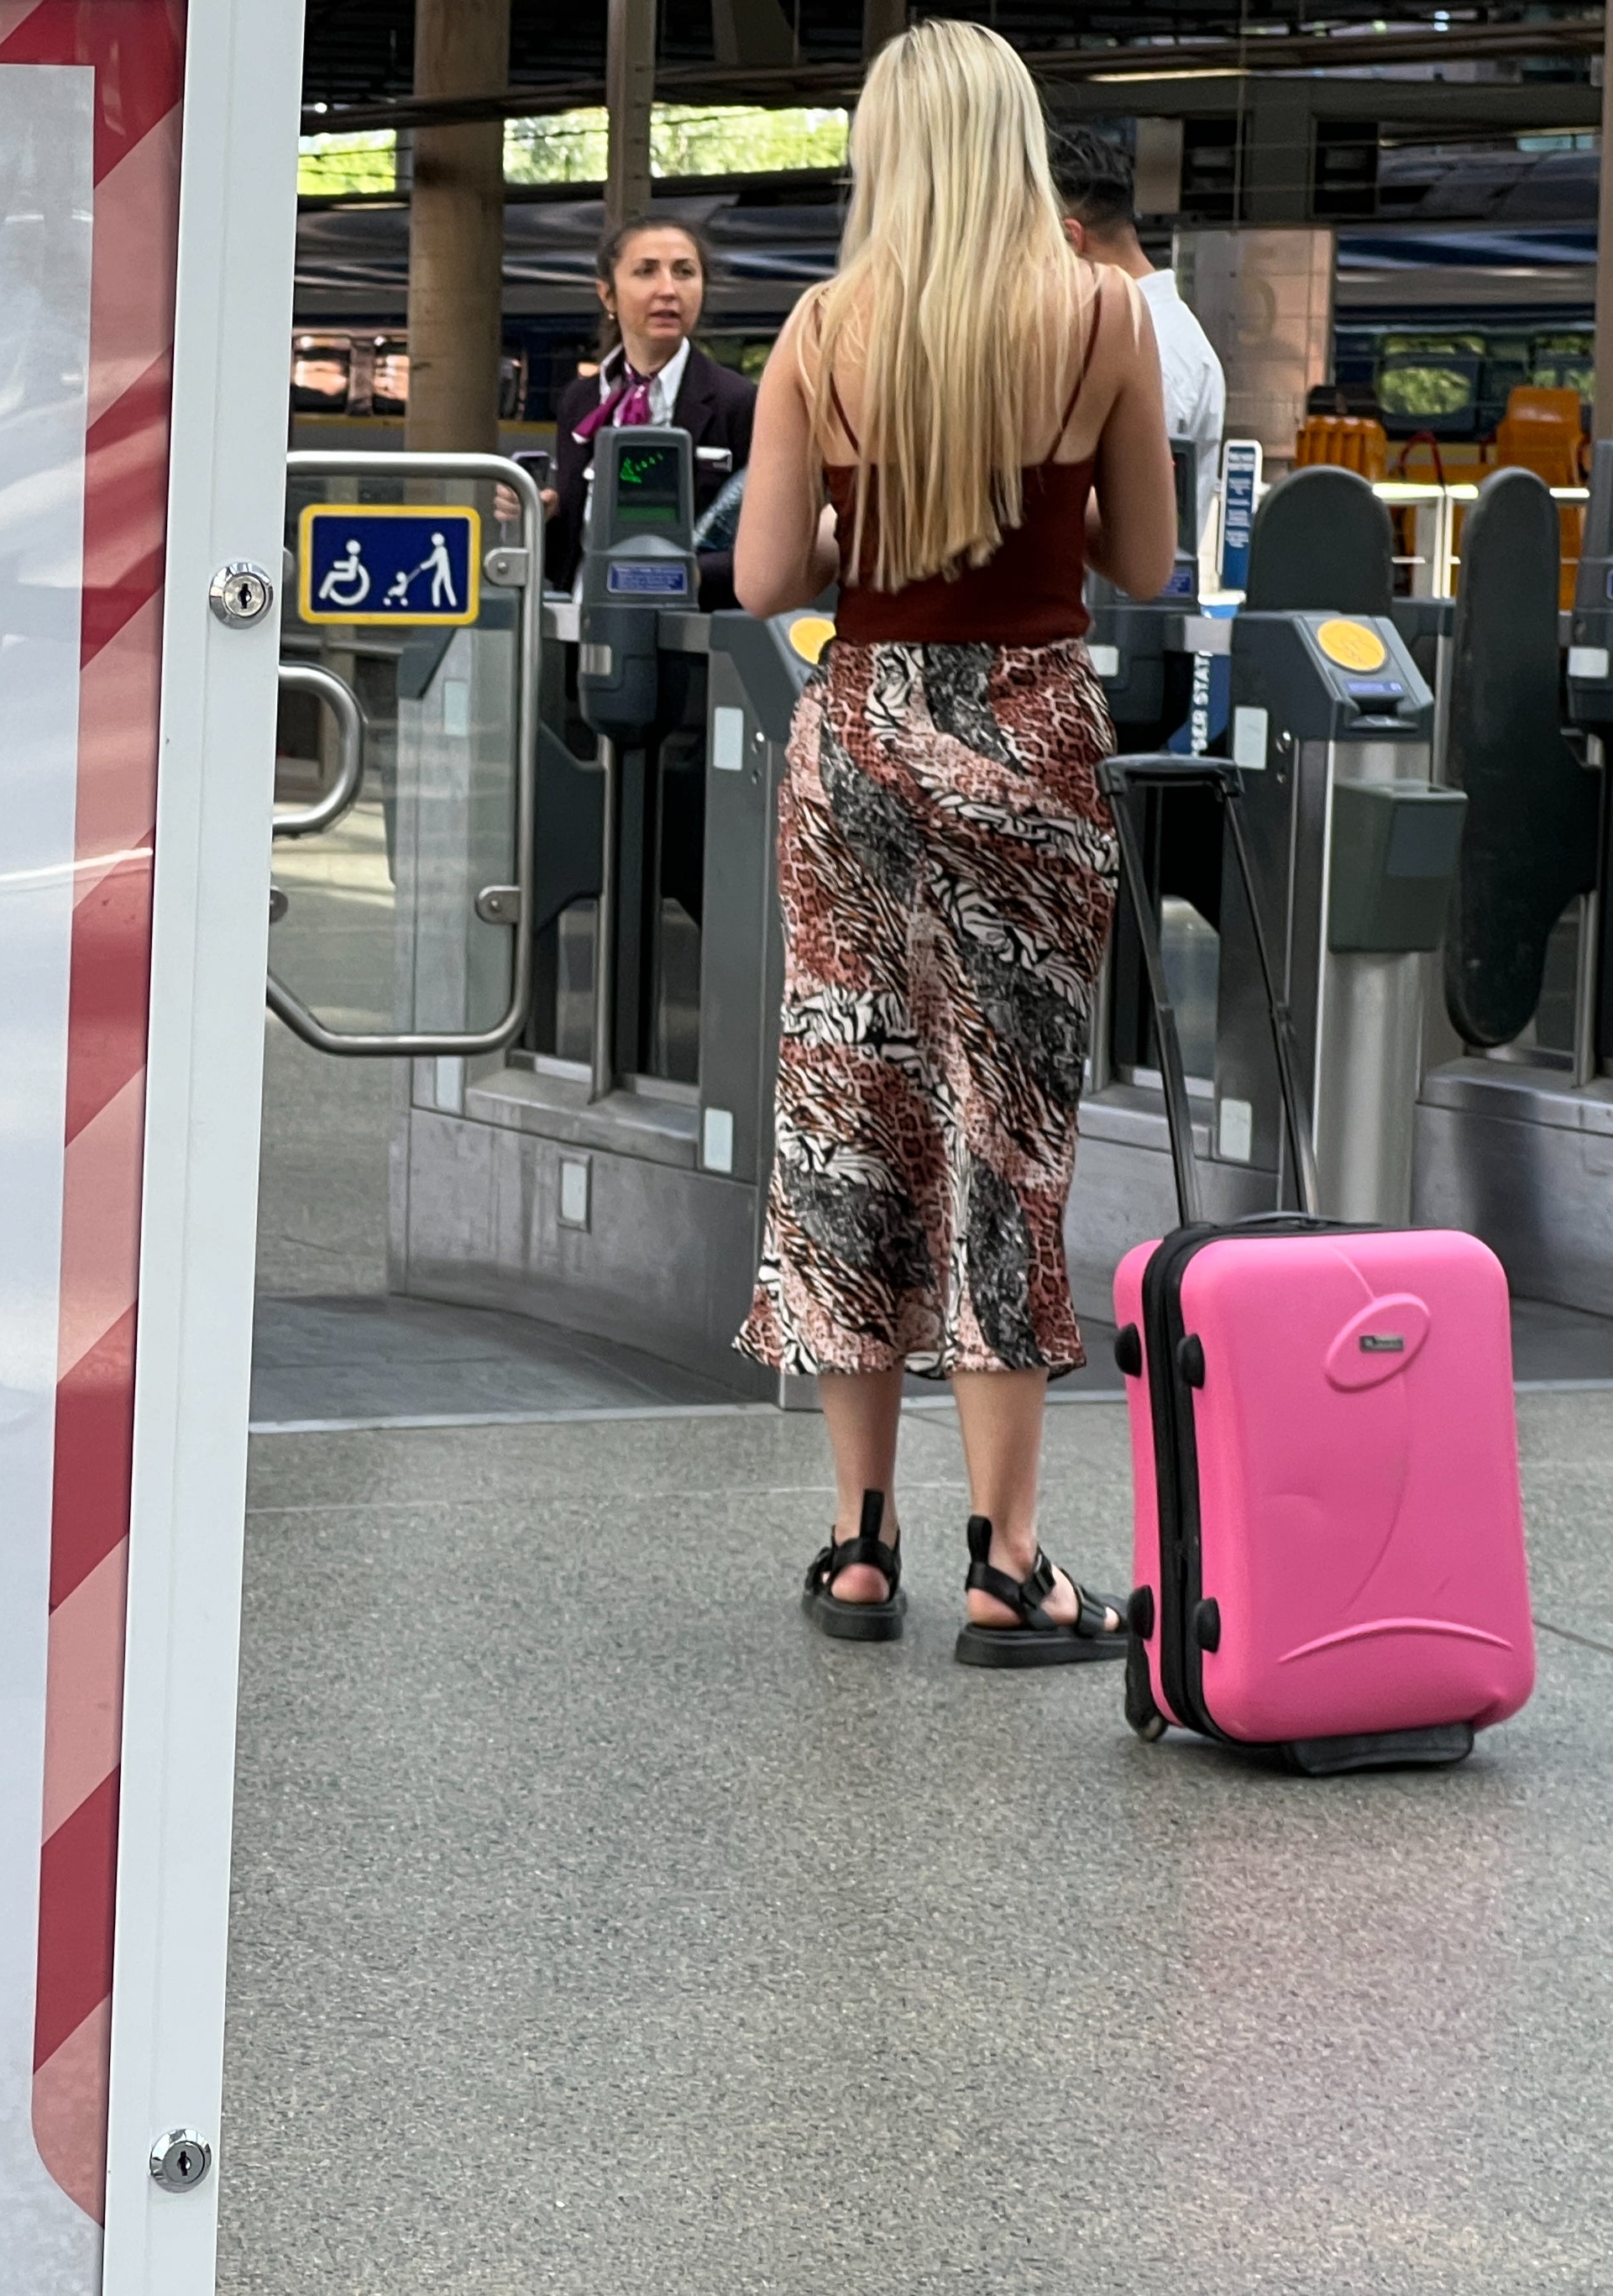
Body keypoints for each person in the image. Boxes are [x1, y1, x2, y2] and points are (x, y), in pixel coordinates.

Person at [730, 18, 1176, 1664]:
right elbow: (1140, 556)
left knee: (846, 1109)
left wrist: (869, 511)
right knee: (1006, 1135)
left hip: (855, 741)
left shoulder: (819, 330)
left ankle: (859, 1543)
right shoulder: (1099, 317)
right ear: (1011, 145)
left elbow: (766, 575)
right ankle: (1012, 1561)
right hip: (1029, 736)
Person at [543, 217, 756, 601]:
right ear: (607, 295)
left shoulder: (738, 402)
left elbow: (772, 545)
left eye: (685, 272)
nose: (669, 290)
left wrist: (692, 574)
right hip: (585, 624)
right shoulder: (581, 401)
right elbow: (568, 552)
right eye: (646, 272)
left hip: (687, 632)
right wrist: (537, 517)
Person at [1050, 124, 1226, 569]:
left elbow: (1130, 525)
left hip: (1114, 622)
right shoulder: (1153, 333)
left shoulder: (1154, 349)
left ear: (1072, 239)